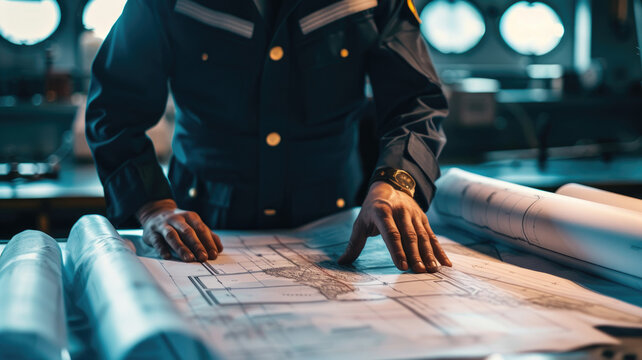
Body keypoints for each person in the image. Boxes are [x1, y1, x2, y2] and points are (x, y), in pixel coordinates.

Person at [86, 0, 452, 273]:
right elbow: (115, 107)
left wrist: (396, 183)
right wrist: (153, 206)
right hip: (200, 228)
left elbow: (415, 102)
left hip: (336, 226)